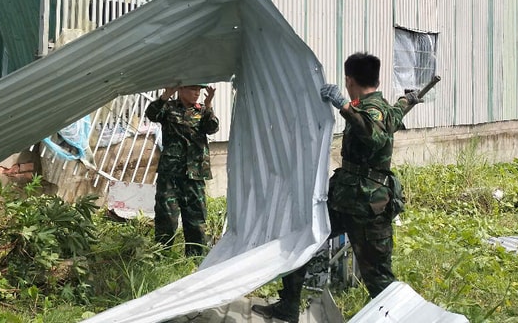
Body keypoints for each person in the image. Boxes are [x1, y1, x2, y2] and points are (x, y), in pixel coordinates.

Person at [252, 52, 419, 323]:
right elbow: (396, 112)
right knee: (305, 239)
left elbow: (375, 135)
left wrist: (343, 106)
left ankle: (400, 317)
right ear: (376, 79)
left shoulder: (370, 109)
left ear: (349, 80)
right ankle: (288, 304)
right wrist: (407, 100)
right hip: (345, 200)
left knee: (378, 277)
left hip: (368, 206)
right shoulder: (380, 105)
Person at [144, 84, 219, 257]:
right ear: (181, 90)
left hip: (195, 172)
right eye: (193, 89)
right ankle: (161, 256)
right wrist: (165, 96)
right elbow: (152, 114)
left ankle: (195, 259)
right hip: (171, 173)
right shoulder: (168, 108)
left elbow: (212, 128)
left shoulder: (201, 111)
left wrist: (208, 105)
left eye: (199, 90)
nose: (196, 93)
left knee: (196, 218)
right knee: (166, 216)